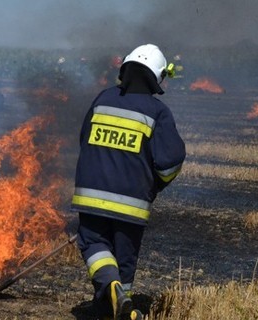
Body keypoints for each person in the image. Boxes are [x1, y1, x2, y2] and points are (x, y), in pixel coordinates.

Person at [70, 44, 185, 320]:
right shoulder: (157, 112)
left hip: (90, 196)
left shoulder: (102, 99)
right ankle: (122, 306)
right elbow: (171, 162)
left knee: (95, 246)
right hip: (132, 204)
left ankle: (110, 298)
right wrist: (155, 184)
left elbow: (84, 139)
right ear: (157, 78)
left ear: (126, 69)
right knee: (124, 259)